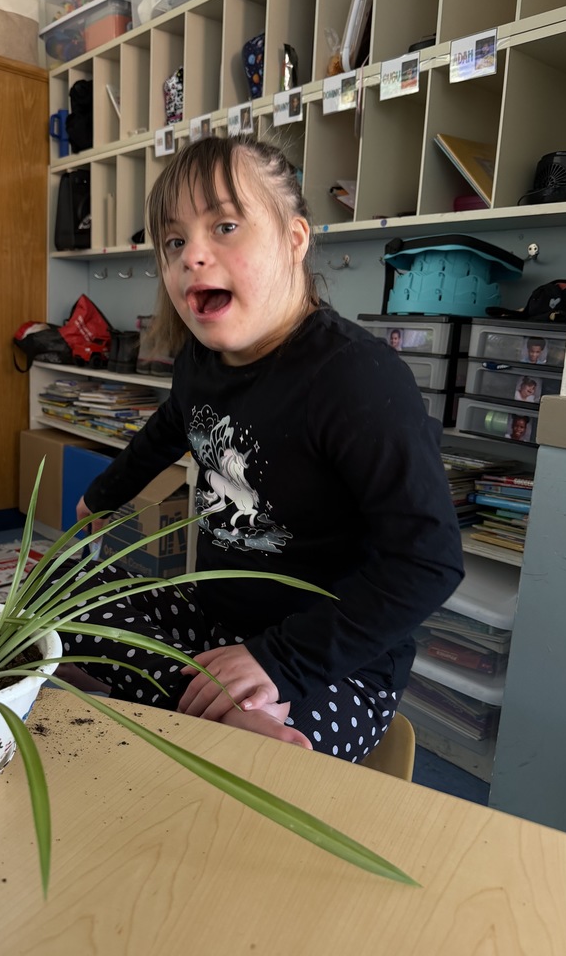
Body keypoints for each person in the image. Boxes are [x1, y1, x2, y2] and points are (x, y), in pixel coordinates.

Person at [66, 136, 463, 760]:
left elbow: (429, 563)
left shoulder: (356, 379)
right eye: (174, 241)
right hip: (219, 622)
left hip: (334, 662)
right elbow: (173, 424)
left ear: (294, 240)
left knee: (250, 746)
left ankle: (210, 716)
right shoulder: (202, 360)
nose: (193, 254)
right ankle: (196, 706)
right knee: (56, 594)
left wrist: (277, 659)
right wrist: (100, 498)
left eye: (225, 225)